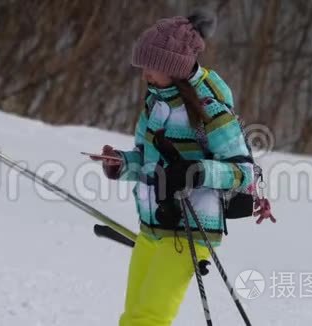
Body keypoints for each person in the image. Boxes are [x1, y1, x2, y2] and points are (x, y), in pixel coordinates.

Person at [93, 9, 254, 326]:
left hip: (190, 231)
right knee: (134, 315)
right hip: (152, 225)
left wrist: (196, 171)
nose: (144, 75)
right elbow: (146, 160)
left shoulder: (209, 110)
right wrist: (122, 164)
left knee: (148, 318)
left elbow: (241, 172)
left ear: (173, 67)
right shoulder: (155, 103)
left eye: (151, 67)